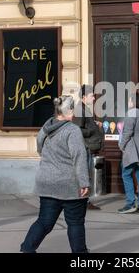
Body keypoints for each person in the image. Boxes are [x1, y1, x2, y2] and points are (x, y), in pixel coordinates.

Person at [20, 96, 90, 253]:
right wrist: (84, 182)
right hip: (69, 185)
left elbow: (40, 149)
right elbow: (79, 156)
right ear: (69, 111)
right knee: (75, 223)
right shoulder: (72, 130)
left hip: (47, 182)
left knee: (44, 221)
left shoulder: (45, 128)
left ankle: (27, 248)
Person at [118, 92, 139, 214]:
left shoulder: (131, 113)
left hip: (132, 150)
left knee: (126, 175)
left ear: (133, 101)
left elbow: (127, 132)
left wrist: (122, 145)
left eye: (129, 100)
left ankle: (130, 203)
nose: (128, 103)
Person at [72, 84, 104, 210]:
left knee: (85, 175)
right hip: (85, 147)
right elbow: (77, 130)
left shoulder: (83, 108)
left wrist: (93, 125)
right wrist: (93, 129)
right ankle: (82, 202)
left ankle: (83, 201)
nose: (94, 98)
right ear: (84, 97)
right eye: (92, 96)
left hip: (88, 147)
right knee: (84, 175)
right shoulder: (80, 109)